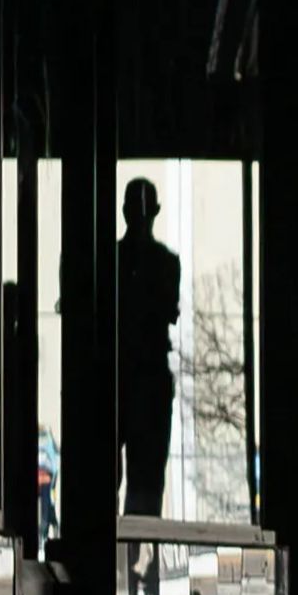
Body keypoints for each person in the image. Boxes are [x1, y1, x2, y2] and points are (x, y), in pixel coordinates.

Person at [116, 176, 181, 519]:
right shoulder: (166, 263)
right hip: (145, 381)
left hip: (121, 378)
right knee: (146, 483)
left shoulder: (112, 261)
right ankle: (137, 556)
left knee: (134, 482)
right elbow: (167, 310)